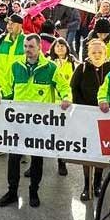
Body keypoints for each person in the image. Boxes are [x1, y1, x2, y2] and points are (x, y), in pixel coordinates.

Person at [0, 34, 71, 208]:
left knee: (37, 159)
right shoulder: (15, 65)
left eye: (31, 47)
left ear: (39, 48)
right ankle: (12, 192)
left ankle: (33, 191)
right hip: (18, 122)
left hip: (39, 124)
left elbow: (64, 87)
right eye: (25, 47)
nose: (27, 50)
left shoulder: (50, 67)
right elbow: (6, 86)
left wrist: (66, 97)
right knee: (13, 159)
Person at [71, 37, 110, 202]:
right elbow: (73, 90)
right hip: (86, 118)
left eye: (100, 52)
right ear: (88, 53)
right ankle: (86, 185)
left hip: (105, 117)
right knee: (87, 153)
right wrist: (85, 110)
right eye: (93, 52)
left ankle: (98, 182)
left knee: (101, 152)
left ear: (105, 53)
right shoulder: (81, 68)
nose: (97, 55)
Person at [48, 37, 75, 176]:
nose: (60, 48)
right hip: (52, 103)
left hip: (67, 104)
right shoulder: (49, 63)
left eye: (62, 46)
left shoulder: (73, 63)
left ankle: (61, 162)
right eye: (57, 46)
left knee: (62, 135)